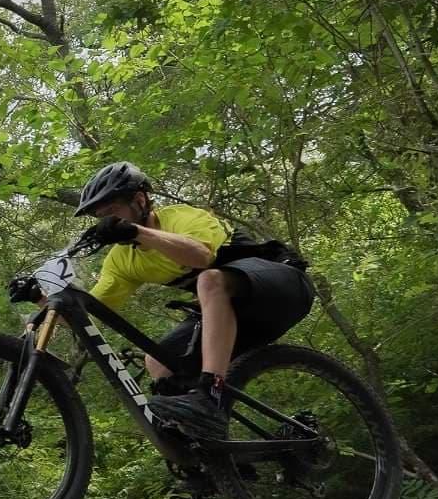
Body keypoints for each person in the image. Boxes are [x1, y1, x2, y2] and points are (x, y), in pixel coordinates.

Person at [74, 162, 315, 439]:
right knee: (158, 363)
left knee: (209, 279)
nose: (107, 222)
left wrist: (135, 231)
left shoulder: (181, 218)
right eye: (101, 217)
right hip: (238, 320)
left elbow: (200, 256)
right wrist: (45, 304)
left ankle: (210, 396)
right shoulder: (122, 260)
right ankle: (209, 448)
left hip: (285, 289)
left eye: (112, 212)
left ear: (139, 200)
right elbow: (89, 308)